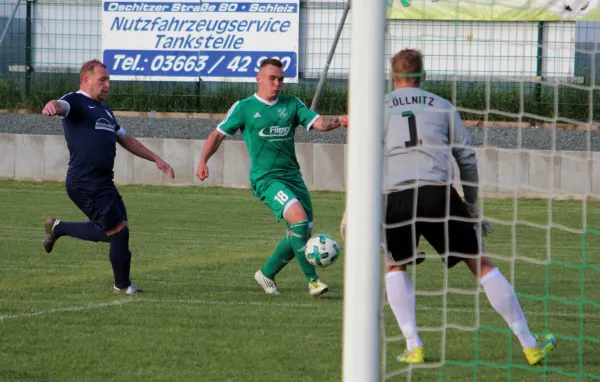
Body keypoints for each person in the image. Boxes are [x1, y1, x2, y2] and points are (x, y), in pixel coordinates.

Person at [343, 49, 555, 365]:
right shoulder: (442, 106)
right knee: (481, 264)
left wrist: (352, 208)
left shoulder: (375, 109)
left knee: (394, 265)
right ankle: (529, 343)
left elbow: (361, 160)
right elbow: (466, 160)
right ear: (423, 77)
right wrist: (472, 207)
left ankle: (413, 345)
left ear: (392, 77)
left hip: (393, 199)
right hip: (437, 194)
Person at [196, 58, 348, 297]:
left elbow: (319, 122)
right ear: (259, 78)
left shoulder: (291, 104)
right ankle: (313, 281)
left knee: (301, 233)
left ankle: (266, 274)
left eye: (280, 79)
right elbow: (217, 134)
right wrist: (203, 161)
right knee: (298, 221)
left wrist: (340, 120)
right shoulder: (244, 107)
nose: (277, 84)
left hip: (293, 178)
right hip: (266, 180)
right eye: (272, 79)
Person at [41, 59, 175, 294]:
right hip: (84, 181)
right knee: (117, 231)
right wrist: (51, 105)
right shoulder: (76, 100)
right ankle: (122, 286)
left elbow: (125, 138)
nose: (107, 85)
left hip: (104, 182)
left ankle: (59, 228)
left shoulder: (105, 110)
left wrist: (156, 159)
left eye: (108, 80)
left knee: (118, 230)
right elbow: (60, 105)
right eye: (102, 80)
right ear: (86, 80)